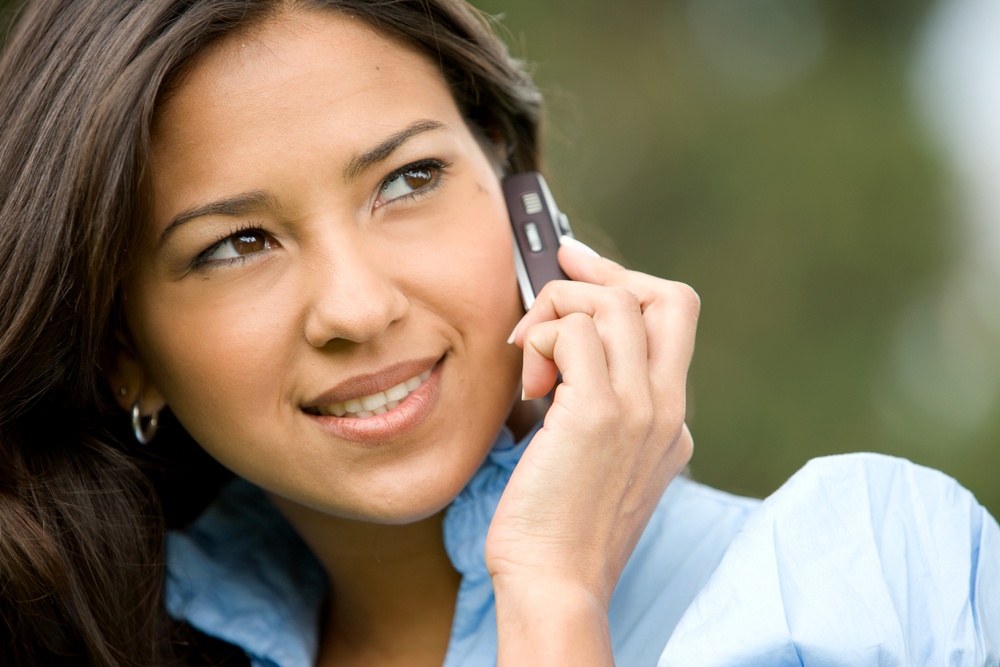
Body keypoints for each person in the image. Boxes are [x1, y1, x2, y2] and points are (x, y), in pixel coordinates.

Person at [0, 2, 995, 667]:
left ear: (527, 203)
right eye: (235, 244)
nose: (355, 308)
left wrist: (553, 600)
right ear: (123, 348)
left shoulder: (870, 580)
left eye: (407, 180)